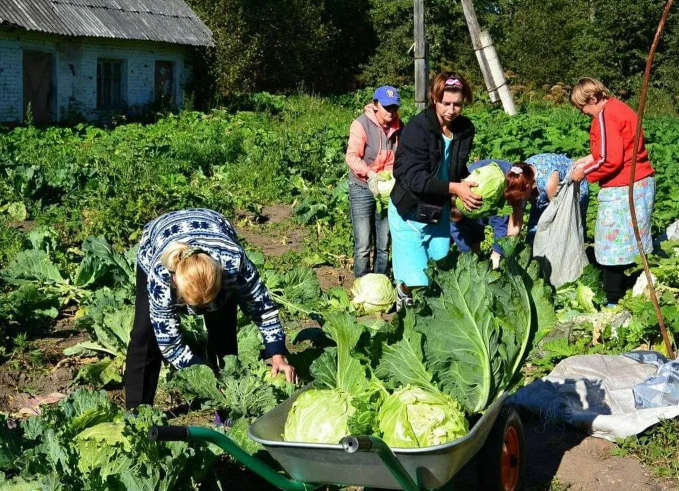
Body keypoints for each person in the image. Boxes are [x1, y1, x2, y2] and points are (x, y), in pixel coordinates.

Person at [124, 208, 297, 409]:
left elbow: (263, 309)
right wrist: (204, 377)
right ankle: (137, 413)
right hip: (159, 239)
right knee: (145, 335)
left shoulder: (234, 263)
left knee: (224, 333)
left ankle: (229, 406)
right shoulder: (161, 277)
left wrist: (278, 355)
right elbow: (170, 344)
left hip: (213, 225)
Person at [389, 72, 481, 309]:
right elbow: (414, 179)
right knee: (417, 279)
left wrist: (465, 191)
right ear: (434, 98)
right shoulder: (418, 129)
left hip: (438, 209)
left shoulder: (465, 129)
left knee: (440, 273)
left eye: (457, 104)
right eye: (445, 103)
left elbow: (457, 168)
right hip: (409, 210)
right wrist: (455, 188)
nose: (451, 109)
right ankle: (403, 293)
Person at [570, 77, 655, 306]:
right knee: (632, 241)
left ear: (593, 99)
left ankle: (612, 299)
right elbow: (621, 148)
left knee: (611, 246)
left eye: (582, 107)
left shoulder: (605, 117)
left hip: (624, 186)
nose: (583, 112)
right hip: (640, 182)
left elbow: (610, 159)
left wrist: (584, 172)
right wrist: (589, 158)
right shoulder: (619, 108)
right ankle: (637, 283)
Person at [345, 85, 402, 278]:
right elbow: (352, 157)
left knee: (384, 241)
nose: (391, 111)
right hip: (362, 186)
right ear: (376, 105)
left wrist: (391, 178)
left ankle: (381, 280)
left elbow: (399, 158)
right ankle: (361, 283)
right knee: (363, 243)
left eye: (394, 107)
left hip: (385, 190)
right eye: (387, 107)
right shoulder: (361, 124)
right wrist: (370, 174)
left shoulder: (399, 127)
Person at [450, 159, 529, 269]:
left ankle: (500, 262)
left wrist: (496, 256)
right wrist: (467, 255)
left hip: (509, 183)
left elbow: (501, 226)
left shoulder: (492, 198)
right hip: (481, 185)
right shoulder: (455, 202)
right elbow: (457, 231)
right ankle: (477, 256)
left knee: (501, 237)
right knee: (467, 228)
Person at [524, 153, 590, 243]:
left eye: (522, 198)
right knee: (534, 231)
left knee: (568, 226)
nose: (522, 201)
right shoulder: (517, 181)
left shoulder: (547, 180)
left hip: (574, 182)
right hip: (544, 189)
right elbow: (515, 222)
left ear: (528, 187)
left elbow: (559, 212)